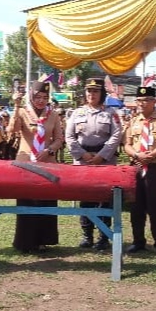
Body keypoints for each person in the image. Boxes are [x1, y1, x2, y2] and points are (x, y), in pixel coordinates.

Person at [65, 78, 122, 251]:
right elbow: (69, 136)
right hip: (83, 161)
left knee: (105, 199)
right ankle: (87, 235)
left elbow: (117, 135)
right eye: (89, 91)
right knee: (85, 199)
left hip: (105, 161)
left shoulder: (111, 113)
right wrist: (82, 154)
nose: (91, 94)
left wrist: (102, 156)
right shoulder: (77, 113)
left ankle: (103, 237)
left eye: (95, 91)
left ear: (102, 93)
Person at [7, 81, 64, 253]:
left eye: (45, 98)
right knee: (27, 199)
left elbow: (59, 139)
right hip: (26, 162)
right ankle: (25, 241)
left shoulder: (53, 114)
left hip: (47, 163)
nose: (41, 101)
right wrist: (16, 106)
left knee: (45, 200)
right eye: (38, 97)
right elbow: (12, 129)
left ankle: (44, 240)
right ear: (31, 96)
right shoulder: (23, 111)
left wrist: (49, 150)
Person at [123, 86, 156, 258]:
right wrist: (137, 155)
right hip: (136, 167)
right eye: (139, 100)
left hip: (155, 167)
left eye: (146, 100)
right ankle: (138, 241)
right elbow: (127, 144)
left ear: (154, 101)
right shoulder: (133, 121)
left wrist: (150, 156)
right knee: (136, 206)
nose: (142, 103)